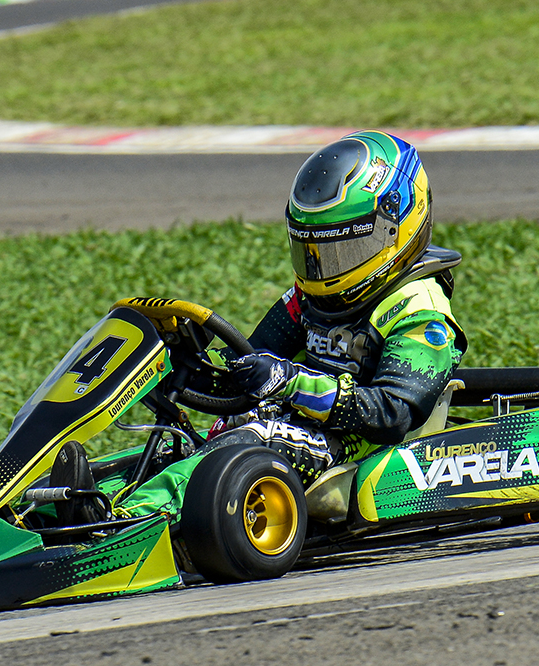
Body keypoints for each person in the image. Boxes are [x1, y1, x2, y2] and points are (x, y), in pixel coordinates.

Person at [58, 130, 467, 522]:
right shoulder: (310, 299)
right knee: (176, 451)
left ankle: (124, 522)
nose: (326, 268)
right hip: (288, 420)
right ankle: (52, 504)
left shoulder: (420, 311)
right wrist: (185, 367)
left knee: (240, 450)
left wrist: (290, 383)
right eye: (315, 250)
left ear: (397, 225)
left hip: (354, 443)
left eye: (346, 249)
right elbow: (251, 360)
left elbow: (393, 412)